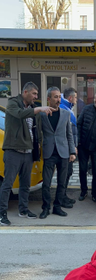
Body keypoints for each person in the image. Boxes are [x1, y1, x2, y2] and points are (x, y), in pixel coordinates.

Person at [0, 82, 54, 226]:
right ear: (25, 92)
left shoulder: (32, 108)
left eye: (37, 94)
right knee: (8, 184)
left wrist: (38, 146)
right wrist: (38, 110)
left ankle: (23, 210)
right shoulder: (13, 103)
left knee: (25, 184)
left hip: (28, 152)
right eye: (34, 94)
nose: (36, 97)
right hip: (13, 151)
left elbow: (36, 131)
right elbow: (19, 114)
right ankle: (2, 213)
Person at [37, 87, 76, 218]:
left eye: (59, 97)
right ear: (48, 99)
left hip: (63, 153)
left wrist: (72, 151)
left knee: (62, 182)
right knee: (46, 184)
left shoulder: (66, 114)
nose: (58, 99)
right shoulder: (42, 114)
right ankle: (46, 208)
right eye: (55, 97)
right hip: (49, 153)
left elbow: (69, 134)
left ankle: (57, 207)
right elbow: (38, 134)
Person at [60, 88, 78, 203]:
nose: (77, 100)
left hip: (68, 149)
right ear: (70, 98)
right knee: (65, 173)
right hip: (66, 150)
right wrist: (72, 149)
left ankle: (63, 196)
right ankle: (61, 198)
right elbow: (66, 133)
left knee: (68, 172)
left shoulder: (67, 109)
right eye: (75, 97)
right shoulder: (64, 110)